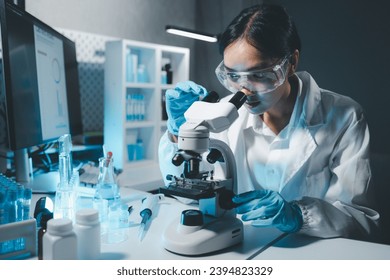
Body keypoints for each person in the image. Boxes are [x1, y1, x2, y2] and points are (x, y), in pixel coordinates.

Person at [159, 4, 379, 240]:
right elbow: (186, 193)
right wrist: (178, 134)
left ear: (291, 62)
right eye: (233, 75)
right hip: (240, 246)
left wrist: (298, 215)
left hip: (311, 252)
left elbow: (361, 220)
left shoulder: (345, 116)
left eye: (259, 75)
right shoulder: (222, 115)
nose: (244, 90)